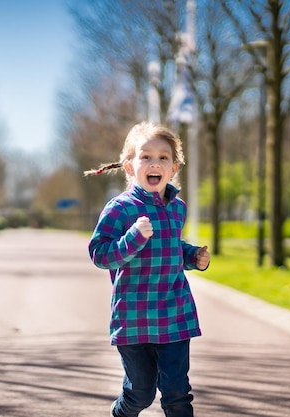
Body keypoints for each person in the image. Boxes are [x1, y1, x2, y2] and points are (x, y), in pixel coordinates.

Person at [85, 121, 210, 417]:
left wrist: (192, 257)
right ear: (130, 167)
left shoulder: (178, 207)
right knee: (140, 393)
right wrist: (133, 238)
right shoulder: (120, 208)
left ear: (174, 168)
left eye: (163, 157)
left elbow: (171, 248)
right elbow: (100, 254)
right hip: (134, 318)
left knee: (178, 393)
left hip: (174, 314)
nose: (155, 163)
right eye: (146, 156)